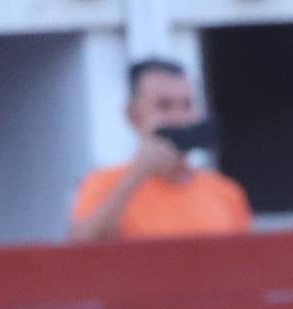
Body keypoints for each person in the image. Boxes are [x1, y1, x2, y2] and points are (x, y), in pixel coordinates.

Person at [68, 59, 251, 243]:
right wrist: (136, 175)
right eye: (164, 105)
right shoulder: (102, 184)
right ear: (133, 115)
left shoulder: (225, 193)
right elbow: (81, 249)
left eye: (187, 105)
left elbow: (245, 264)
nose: (179, 118)